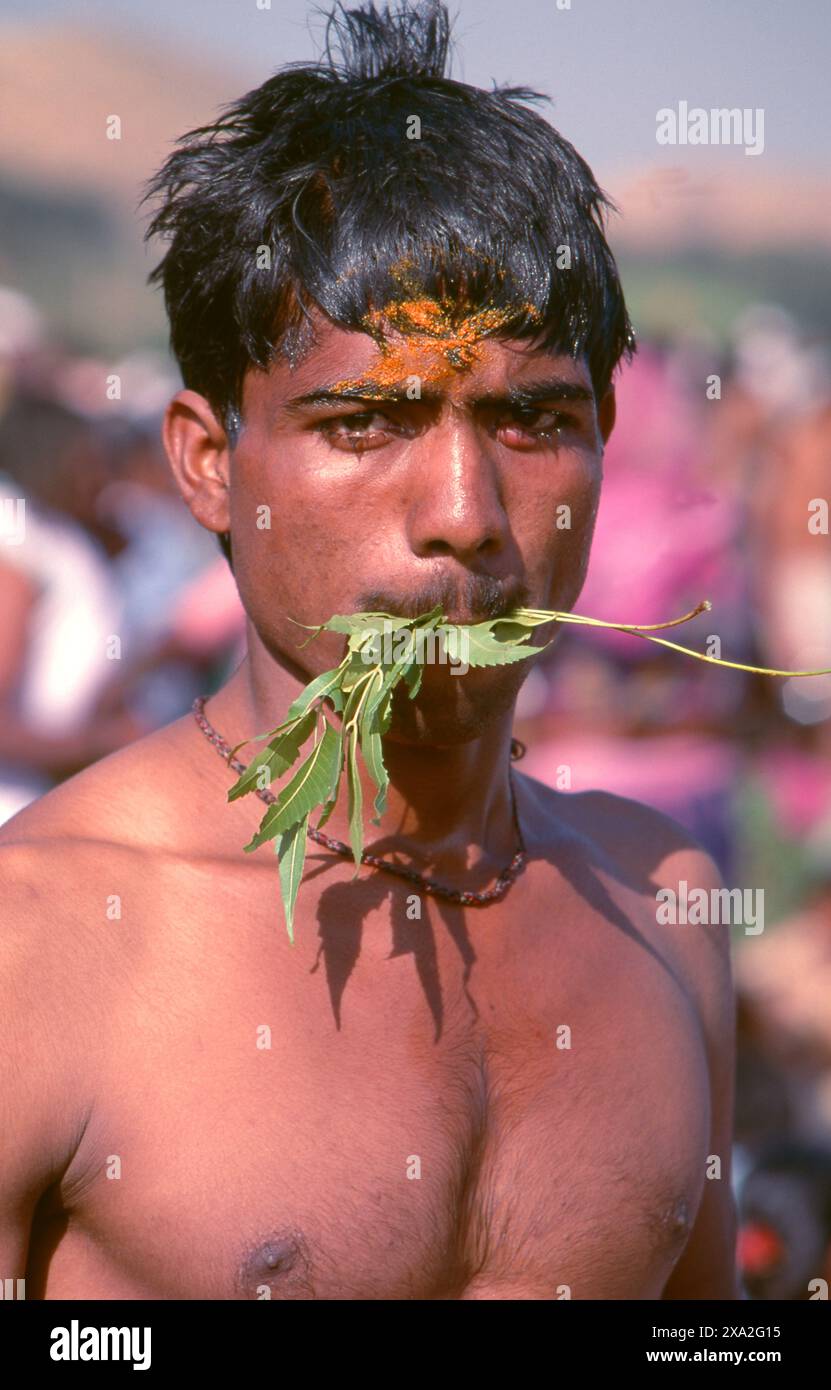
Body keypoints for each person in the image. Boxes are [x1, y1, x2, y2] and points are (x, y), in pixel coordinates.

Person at [0, 0, 740, 1299]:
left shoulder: (661, 906)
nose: (461, 514)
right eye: (365, 422)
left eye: (529, 419)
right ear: (212, 461)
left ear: (604, 437)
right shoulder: (46, 945)